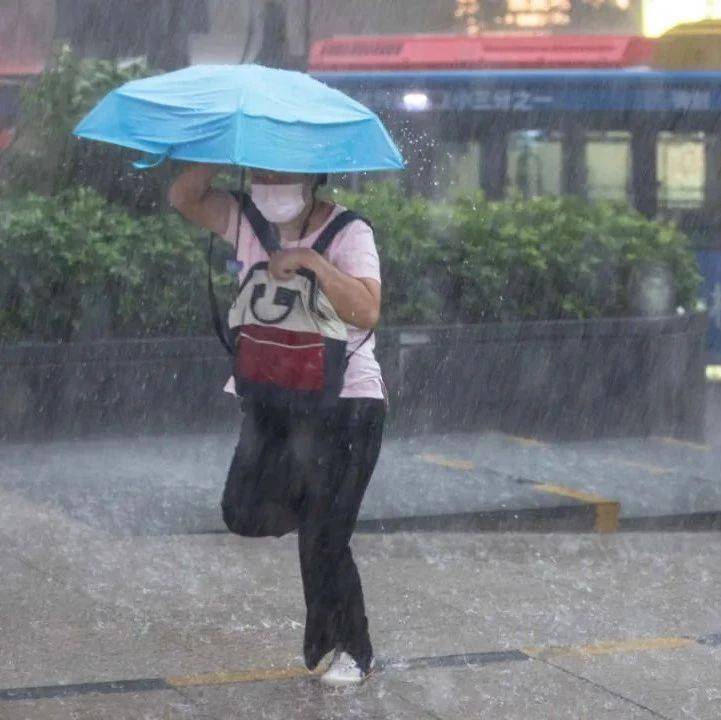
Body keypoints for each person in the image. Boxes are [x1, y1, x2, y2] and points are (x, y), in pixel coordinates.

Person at [168, 164, 386, 686]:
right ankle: (318, 518)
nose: (269, 184)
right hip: (273, 401)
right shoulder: (245, 220)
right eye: (260, 171)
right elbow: (183, 196)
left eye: (281, 173)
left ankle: (350, 649)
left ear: (312, 177)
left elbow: (367, 311)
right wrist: (220, 152)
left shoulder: (349, 231)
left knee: (324, 541)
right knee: (241, 511)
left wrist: (312, 262)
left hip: (345, 404)